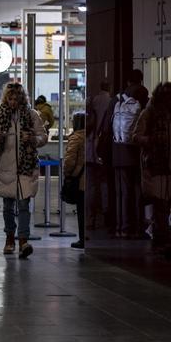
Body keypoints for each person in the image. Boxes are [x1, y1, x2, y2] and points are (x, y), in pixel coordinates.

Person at [0, 83, 48, 258]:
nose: (13, 102)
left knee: (24, 205)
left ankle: (23, 240)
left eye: (17, 98)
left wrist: (32, 139)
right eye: (10, 98)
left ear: (22, 98)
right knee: (8, 206)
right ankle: (9, 238)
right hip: (6, 166)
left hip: (26, 167)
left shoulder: (32, 115)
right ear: (6, 98)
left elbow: (43, 136)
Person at [135, 83, 171, 252]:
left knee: (161, 204)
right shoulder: (150, 113)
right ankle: (161, 237)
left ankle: (162, 237)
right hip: (156, 165)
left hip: (161, 164)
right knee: (160, 203)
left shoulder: (151, 113)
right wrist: (152, 141)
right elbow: (137, 136)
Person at [112, 79, 145, 238]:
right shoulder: (141, 101)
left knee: (121, 192)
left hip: (118, 152)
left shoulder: (118, 103)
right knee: (137, 190)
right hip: (134, 154)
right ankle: (138, 226)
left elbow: (107, 126)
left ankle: (121, 227)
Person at [86, 79, 113, 230]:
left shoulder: (92, 101)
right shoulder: (111, 101)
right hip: (104, 148)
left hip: (90, 148)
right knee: (104, 183)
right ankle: (106, 216)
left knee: (90, 185)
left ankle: (90, 219)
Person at [64, 112, 87, 250]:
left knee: (81, 210)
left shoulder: (76, 138)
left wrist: (67, 174)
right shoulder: (91, 136)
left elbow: (69, 161)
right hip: (90, 178)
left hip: (79, 179)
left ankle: (82, 239)